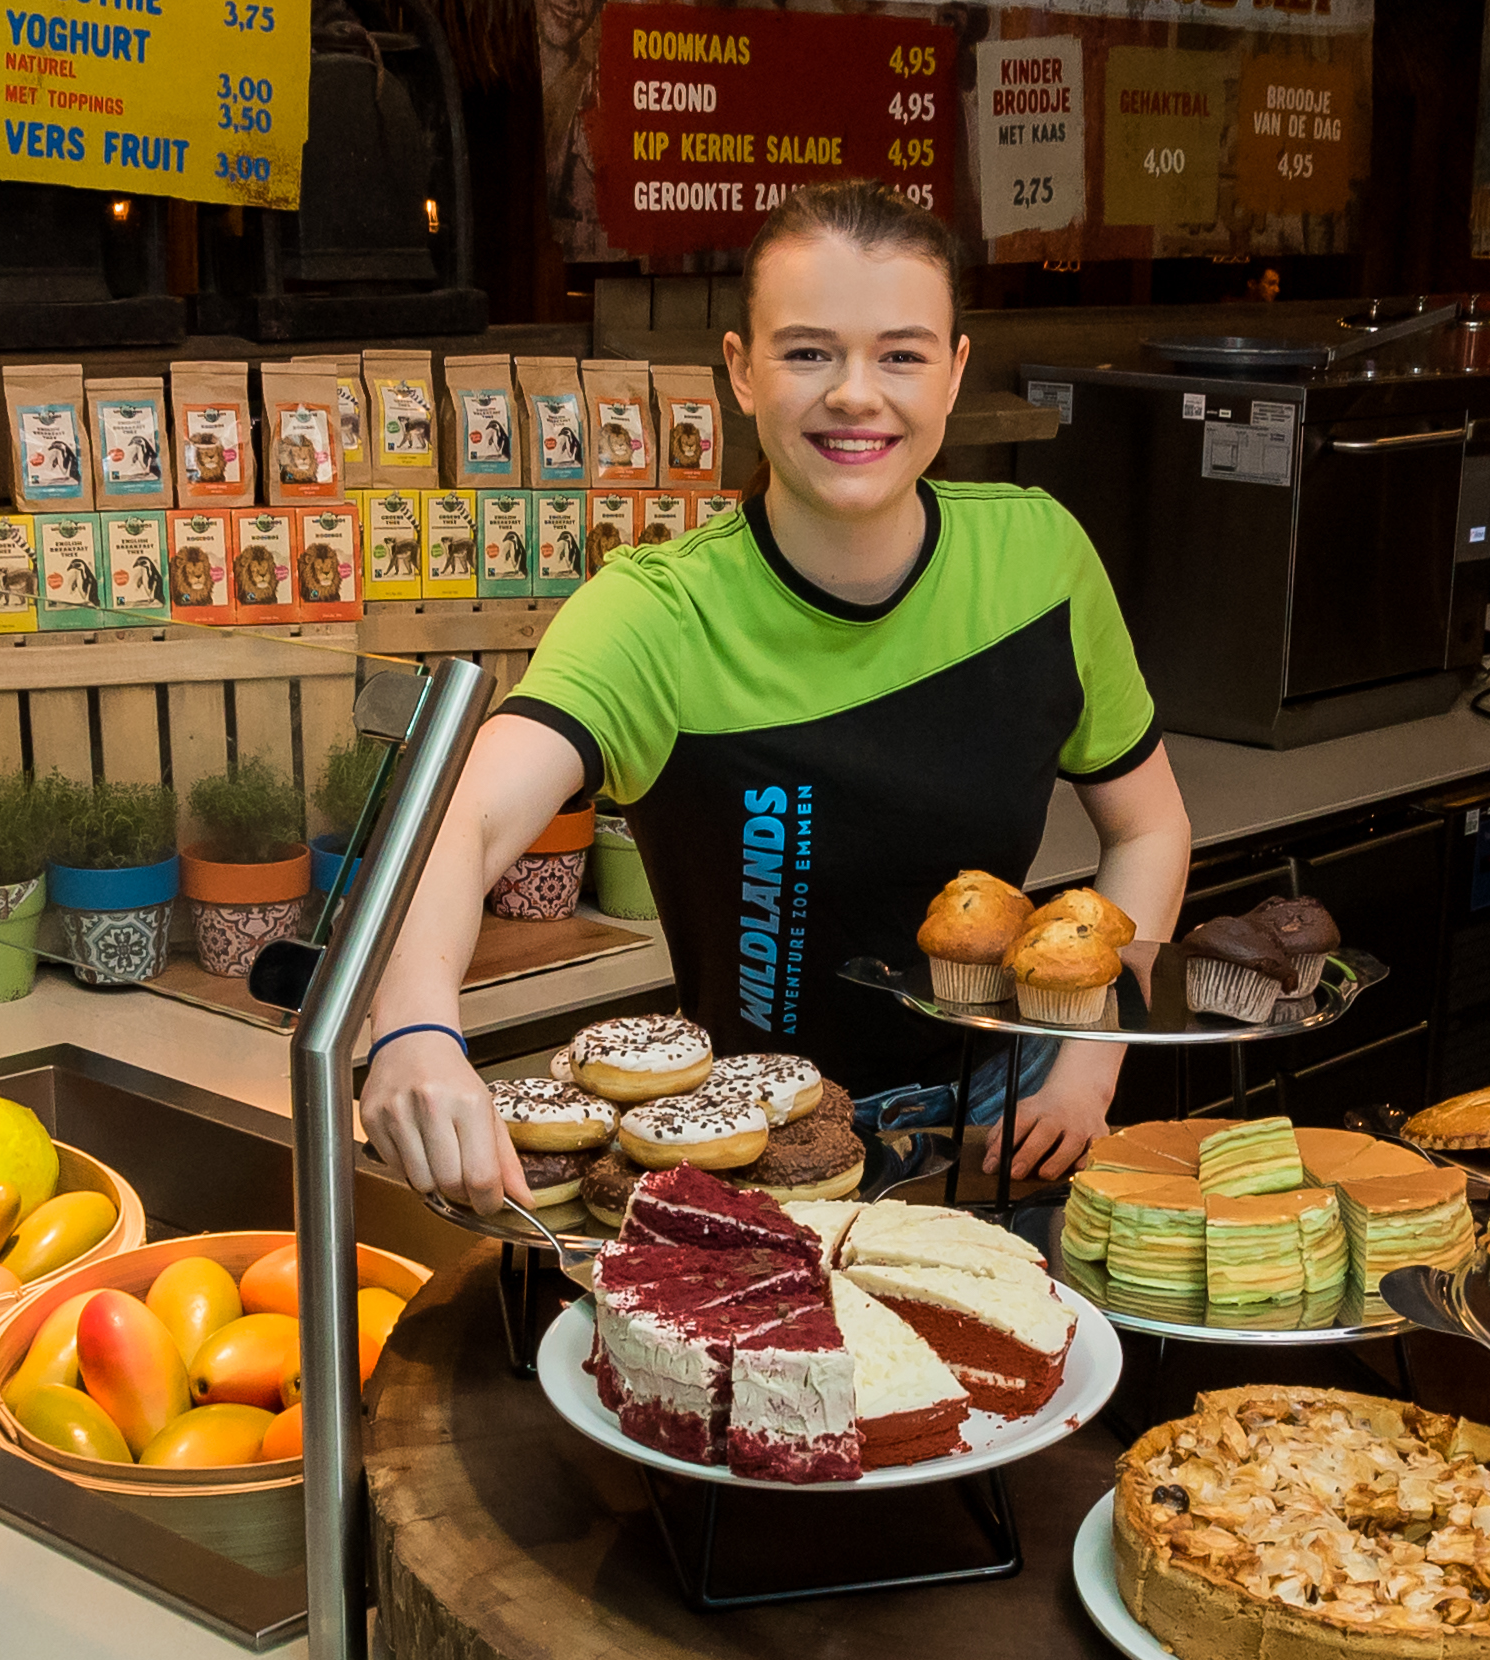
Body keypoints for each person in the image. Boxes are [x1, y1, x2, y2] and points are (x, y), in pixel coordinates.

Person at [363, 180, 1190, 1211]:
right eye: (807, 351)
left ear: (953, 374)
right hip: (746, 1153)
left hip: (1005, 1128)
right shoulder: (655, 613)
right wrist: (412, 1022)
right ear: (741, 373)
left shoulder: (1040, 560)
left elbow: (1149, 828)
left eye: (901, 353)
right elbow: (462, 817)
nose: (855, 393)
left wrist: (1085, 1062)